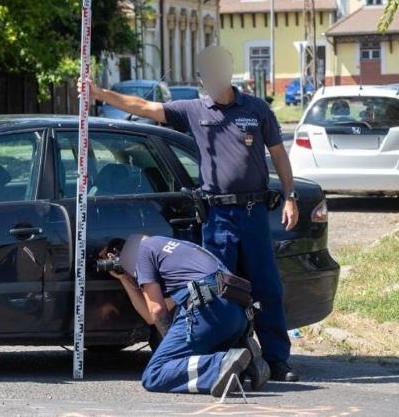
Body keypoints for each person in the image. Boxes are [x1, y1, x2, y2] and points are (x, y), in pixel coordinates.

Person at [84, 46, 300, 382]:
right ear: (201, 79)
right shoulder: (192, 110)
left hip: (254, 211)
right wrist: (100, 93)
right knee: (217, 290)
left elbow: (279, 154)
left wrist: (290, 197)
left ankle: (278, 360)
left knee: (268, 288)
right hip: (217, 216)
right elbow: (143, 107)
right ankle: (231, 356)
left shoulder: (256, 109)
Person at [102, 234, 268, 395]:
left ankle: (220, 363)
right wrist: (124, 279)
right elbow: (152, 313)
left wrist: (170, 353)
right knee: (195, 361)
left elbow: (156, 311)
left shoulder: (142, 251)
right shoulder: (172, 248)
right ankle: (248, 363)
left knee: (155, 373)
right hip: (236, 313)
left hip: (209, 309)